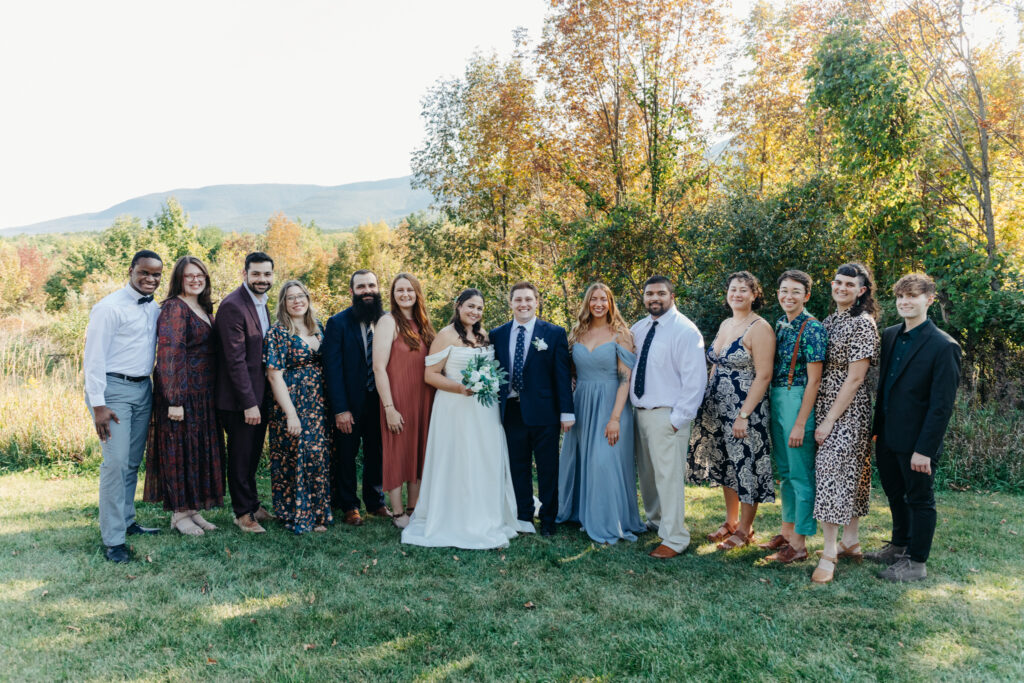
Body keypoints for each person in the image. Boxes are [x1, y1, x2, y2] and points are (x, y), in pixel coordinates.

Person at [401, 289, 534, 549]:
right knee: (460, 459)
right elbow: (431, 375)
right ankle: (457, 516)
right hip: (455, 408)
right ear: (458, 305)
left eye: (479, 308)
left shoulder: (484, 336)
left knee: (484, 458)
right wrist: (461, 388)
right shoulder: (445, 335)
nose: (475, 312)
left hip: (484, 410)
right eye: (470, 306)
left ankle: (487, 513)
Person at [867, 273, 961, 582]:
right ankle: (898, 546)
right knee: (895, 493)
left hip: (917, 442)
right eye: (901, 297)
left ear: (929, 300)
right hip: (887, 436)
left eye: (913, 296)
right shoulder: (891, 334)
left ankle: (917, 563)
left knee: (920, 500)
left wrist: (924, 450)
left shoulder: (944, 346)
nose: (905, 302)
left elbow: (941, 407)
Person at [84, 249, 164, 563]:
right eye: (144, 272)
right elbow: (93, 359)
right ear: (131, 271)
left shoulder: (154, 307)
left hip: (144, 388)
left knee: (132, 462)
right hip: (113, 390)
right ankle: (113, 541)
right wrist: (98, 405)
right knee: (115, 464)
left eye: (156, 274)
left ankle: (127, 521)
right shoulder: (108, 308)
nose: (150, 279)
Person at [689, 271, 776, 550]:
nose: (737, 294)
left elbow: (764, 375)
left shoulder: (760, 328)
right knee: (727, 465)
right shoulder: (727, 323)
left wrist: (744, 415)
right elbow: (716, 362)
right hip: (718, 408)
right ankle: (731, 522)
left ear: (754, 295)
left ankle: (746, 530)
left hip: (745, 411)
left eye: (743, 290)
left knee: (746, 466)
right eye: (733, 289)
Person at [557, 282, 645, 544]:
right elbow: (571, 372)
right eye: (593, 299)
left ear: (610, 303)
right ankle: (579, 513)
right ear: (587, 303)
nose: (598, 304)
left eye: (603, 299)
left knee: (603, 463)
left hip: (611, 404)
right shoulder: (577, 333)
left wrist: (615, 418)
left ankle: (610, 521)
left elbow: (624, 380)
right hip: (582, 404)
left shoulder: (621, 334)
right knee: (579, 460)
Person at [143, 256, 224, 536]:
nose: (195, 280)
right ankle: (179, 514)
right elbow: (169, 354)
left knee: (196, 451)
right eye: (189, 275)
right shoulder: (174, 308)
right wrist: (175, 399)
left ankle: (192, 509)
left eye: (199, 275)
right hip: (181, 393)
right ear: (179, 278)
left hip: (203, 393)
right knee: (179, 451)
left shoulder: (201, 306)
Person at [810, 262, 880, 584]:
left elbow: (854, 379)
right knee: (847, 472)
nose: (841, 288)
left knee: (830, 469)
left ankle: (828, 553)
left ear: (861, 290)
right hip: (825, 401)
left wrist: (827, 421)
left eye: (849, 285)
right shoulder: (829, 321)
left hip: (848, 409)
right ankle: (850, 541)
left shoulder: (862, 324)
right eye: (837, 282)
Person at [630, 275, 708, 559]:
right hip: (639, 414)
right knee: (648, 475)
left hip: (666, 415)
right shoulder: (638, 329)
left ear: (672, 296)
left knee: (668, 477)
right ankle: (656, 520)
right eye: (649, 293)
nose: (654, 298)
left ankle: (675, 537)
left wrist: (678, 419)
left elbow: (695, 380)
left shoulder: (685, 331)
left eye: (660, 293)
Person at [490, 282, 574, 536]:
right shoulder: (498, 334)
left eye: (528, 299)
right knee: (518, 467)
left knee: (548, 468)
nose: (523, 304)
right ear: (511, 303)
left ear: (537, 301)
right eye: (518, 299)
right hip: (512, 412)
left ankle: (548, 518)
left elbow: (562, 376)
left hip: (545, 412)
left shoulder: (554, 333)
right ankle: (524, 515)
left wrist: (566, 412)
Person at [759, 270, 827, 564]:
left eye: (796, 292)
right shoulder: (781, 325)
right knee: (785, 473)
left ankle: (799, 543)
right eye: (784, 291)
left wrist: (801, 422)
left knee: (800, 474)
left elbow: (814, 381)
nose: (789, 296)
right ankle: (786, 533)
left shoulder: (812, 328)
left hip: (798, 398)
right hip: (777, 396)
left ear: (807, 296)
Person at [264, 280, 333, 534]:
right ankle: (296, 512)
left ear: (308, 298)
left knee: (318, 454)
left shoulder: (319, 328)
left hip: (319, 402)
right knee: (297, 454)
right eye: (290, 297)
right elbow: (274, 375)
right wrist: (290, 413)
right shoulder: (279, 332)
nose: (297, 301)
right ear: (283, 303)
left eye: (301, 296)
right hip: (293, 402)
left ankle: (318, 512)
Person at [215, 251, 275, 533]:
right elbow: (235, 361)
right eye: (256, 274)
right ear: (245, 274)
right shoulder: (233, 306)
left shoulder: (262, 304)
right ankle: (242, 514)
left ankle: (252, 504)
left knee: (252, 455)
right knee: (240, 456)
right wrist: (249, 403)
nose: (262, 279)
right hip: (239, 400)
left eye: (267, 274)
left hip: (260, 395)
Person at [323, 270, 389, 525]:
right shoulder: (337, 323)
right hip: (349, 403)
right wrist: (340, 409)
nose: (367, 291)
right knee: (347, 455)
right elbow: (332, 369)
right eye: (361, 286)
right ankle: (349, 505)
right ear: (352, 292)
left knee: (377, 453)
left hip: (379, 402)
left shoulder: (387, 321)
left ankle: (375, 502)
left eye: (372, 285)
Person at [372, 273, 436, 530]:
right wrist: (389, 407)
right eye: (400, 290)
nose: (405, 294)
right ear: (393, 294)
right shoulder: (388, 322)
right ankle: (398, 512)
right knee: (398, 452)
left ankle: (414, 507)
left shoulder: (424, 324)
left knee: (419, 451)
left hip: (424, 397)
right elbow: (378, 367)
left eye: (410, 289)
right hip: (397, 397)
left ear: (417, 292)